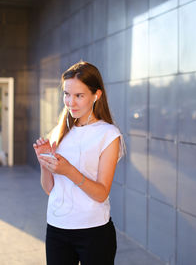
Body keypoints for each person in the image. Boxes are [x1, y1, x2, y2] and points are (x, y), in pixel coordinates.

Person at [33, 61, 124, 265]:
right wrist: (44, 162)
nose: (70, 102)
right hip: (57, 229)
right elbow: (49, 189)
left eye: (78, 96)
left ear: (96, 95)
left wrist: (67, 170)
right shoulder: (60, 132)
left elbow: (101, 193)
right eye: (66, 94)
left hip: (94, 232)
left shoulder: (109, 134)